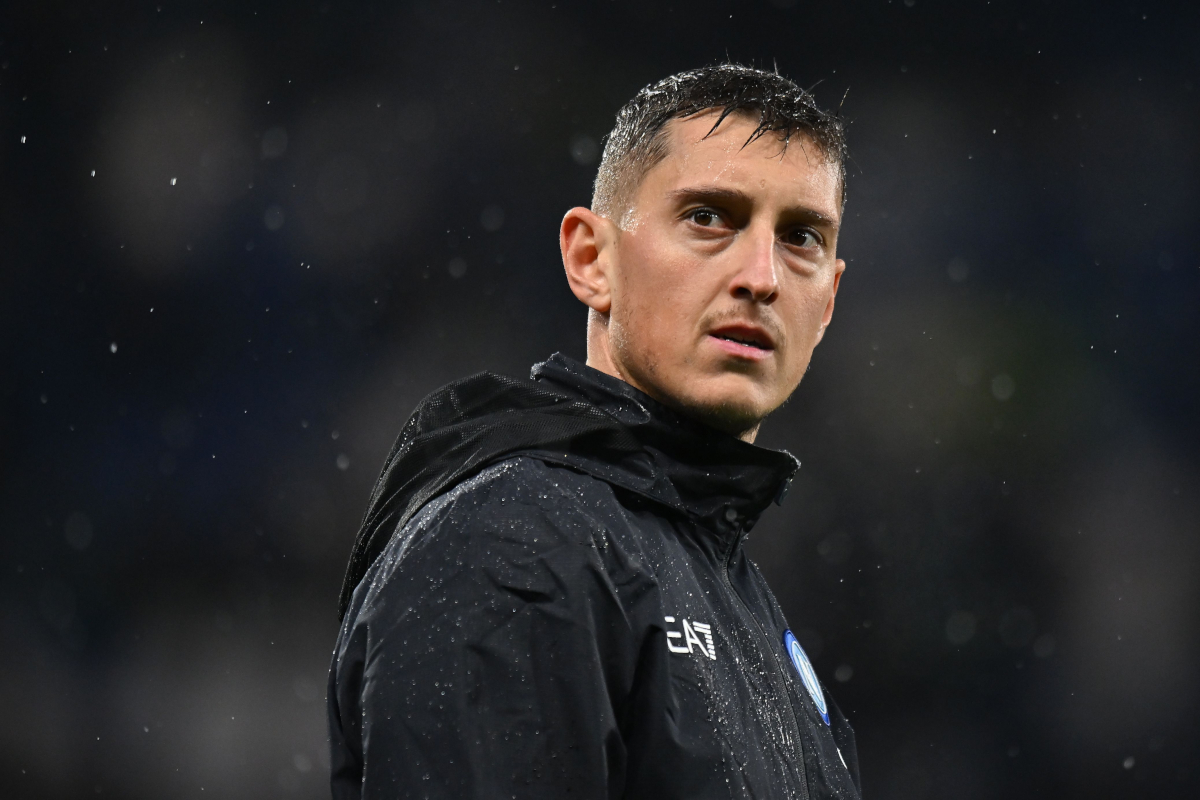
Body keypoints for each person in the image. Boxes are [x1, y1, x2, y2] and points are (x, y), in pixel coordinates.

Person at [328, 64, 859, 799]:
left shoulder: (708, 568)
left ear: (827, 300)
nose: (761, 276)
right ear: (591, 259)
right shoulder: (514, 544)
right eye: (709, 217)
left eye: (799, 236)